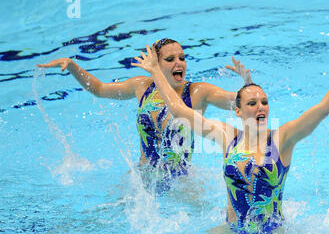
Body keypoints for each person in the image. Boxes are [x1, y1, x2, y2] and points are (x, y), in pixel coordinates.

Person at [131, 38, 329, 234]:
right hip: (231, 232)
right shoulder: (225, 136)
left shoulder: (282, 139)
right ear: (238, 111)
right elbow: (179, 110)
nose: (260, 106)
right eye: (252, 103)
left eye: (264, 102)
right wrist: (155, 71)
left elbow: (323, 109)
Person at [36, 38, 252, 193]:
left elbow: (240, 103)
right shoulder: (142, 86)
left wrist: (248, 84)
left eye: (182, 58)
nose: (179, 63)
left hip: (182, 182)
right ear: (155, 65)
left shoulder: (197, 92)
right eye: (170, 59)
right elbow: (99, 89)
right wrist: (74, 66)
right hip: (143, 178)